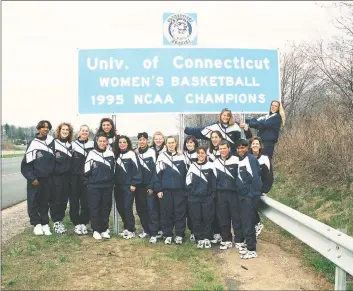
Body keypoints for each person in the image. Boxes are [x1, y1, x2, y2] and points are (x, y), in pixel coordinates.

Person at [21, 120, 55, 236]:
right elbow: (26, 164)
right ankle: (37, 224)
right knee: (33, 201)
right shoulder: (33, 143)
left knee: (45, 202)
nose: (45, 129)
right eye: (43, 127)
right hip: (35, 179)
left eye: (47, 127)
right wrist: (32, 178)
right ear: (39, 128)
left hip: (47, 179)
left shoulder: (51, 142)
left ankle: (45, 223)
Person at [153, 136, 188, 245]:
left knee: (180, 213)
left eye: (173, 142)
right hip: (166, 191)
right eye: (169, 143)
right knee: (166, 213)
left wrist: (185, 190)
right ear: (166, 144)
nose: (171, 144)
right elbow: (157, 175)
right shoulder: (161, 157)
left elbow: (187, 174)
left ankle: (179, 235)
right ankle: (167, 234)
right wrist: (158, 189)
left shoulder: (182, 156)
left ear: (176, 144)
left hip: (179, 191)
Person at [234, 139, 262, 259]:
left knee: (248, 223)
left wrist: (252, 195)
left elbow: (256, 179)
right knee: (244, 222)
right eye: (239, 148)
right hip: (241, 196)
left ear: (247, 147)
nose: (241, 150)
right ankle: (248, 245)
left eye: (243, 147)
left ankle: (252, 249)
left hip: (249, 197)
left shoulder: (251, 159)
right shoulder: (238, 160)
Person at [83, 132, 115, 240]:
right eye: (100, 141)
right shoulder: (91, 153)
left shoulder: (111, 154)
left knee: (106, 207)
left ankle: (104, 229)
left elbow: (113, 170)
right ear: (97, 142)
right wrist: (90, 182)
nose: (102, 143)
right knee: (94, 207)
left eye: (104, 141)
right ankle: (96, 230)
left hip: (107, 186)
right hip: (94, 187)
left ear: (107, 142)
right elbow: (86, 170)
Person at [186, 146, 216, 249]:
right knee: (196, 219)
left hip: (207, 198)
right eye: (199, 153)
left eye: (203, 153)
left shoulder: (211, 166)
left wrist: (212, 195)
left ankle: (207, 238)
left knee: (208, 219)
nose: (200, 155)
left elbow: (214, 182)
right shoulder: (192, 166)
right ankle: (199, 238)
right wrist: (191, 194)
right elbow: (188, 182)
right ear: (197, 155)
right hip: (194, 198)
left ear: (206, 155)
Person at [184, 108, 252, 154]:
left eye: (228, 115)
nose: (226, 117)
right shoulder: (215, 126)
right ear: (220, 116)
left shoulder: (235, 126)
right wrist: (187, 130)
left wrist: (246, 129)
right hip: (219, 156)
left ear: (230, 117)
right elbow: (200, 132)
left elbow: (248, 137)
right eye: (224, 115)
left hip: (233, 156)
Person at [113, 135, 142, 239]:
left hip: (128, 186)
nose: (122, 144)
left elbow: (137, 170)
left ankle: (131, 230)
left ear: (128, 143)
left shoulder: (132, 154)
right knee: (120, 208)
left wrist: (134, 183)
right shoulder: (116, 155)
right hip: (118, 186)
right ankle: (126, 228)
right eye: (120, 142)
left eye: (124, 142)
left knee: (127, 208)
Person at [213, 140, 239, 250]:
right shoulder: (215, 162)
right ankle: (226, 239)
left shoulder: (236, 160)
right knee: (223, 217)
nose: (222, 150)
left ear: (229, 149)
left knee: (236, 218)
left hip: (234, 193)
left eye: (224, 148)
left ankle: (239, 239)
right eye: (220, 149)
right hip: (221, 194)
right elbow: (213, 179)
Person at [135, 132, 160, 243]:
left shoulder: (152, 152)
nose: (142, 141)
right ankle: (146, 230)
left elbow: (155, 170)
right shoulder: (135, 152)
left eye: (144, 139)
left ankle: (154, 233)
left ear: (147, 140)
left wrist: (151, 186)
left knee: (152, 210)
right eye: (140, 139)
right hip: (139, 187)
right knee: (141, 209)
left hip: (150, 186)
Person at [70, 125, 94, 235]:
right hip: (74, 177)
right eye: (82, 130)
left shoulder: (92, 144)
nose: (84, 132)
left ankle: (84, 222)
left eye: (86, 131)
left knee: (86, 201)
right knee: (74, 200)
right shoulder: (73, 145)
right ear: (79, 132)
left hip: (87, 176)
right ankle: (76, 224)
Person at [50, 122, 73, 234]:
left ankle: (60, 221)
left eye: (67, 130)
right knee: (56, 200)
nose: (65, 131)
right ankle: (56, 222)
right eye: (63, 129)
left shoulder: (71, 145)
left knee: (64, 200)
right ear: (59, 131)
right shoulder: (53, 143)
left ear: (69, 132)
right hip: (56, 178)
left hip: (67, 178)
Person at [248, 136, 273, 237]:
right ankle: (254, 226)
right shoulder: (247, 158)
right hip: (248, 189)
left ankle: (257, 224)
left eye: (257, 144)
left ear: (260, 146)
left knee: (252, 206)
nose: (255, 145)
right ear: (250, 146)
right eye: (253, 144)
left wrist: (265, 190)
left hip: (258, 190)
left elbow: (269, 176)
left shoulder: (265, 158)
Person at [182, 135, 199, 242]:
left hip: (196, 185)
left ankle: (196, 231)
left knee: (195, 210)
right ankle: (192, 230)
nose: (189, 144)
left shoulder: (199, 154)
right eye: (187, 142)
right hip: (185, 186)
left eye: (191, 142)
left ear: (195, 144)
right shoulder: (182, 154)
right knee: (187, 211)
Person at [150, 130, 166, 239]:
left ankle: (163, 229)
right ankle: (155, 229)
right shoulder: (150, 150)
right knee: (153, 208)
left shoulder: (167, 150)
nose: (158, 140)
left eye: (160, 138)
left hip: (162, 182)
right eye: (156, 139)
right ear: (153, 140)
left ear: (163, 139)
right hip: (152, 181)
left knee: (163, 208)